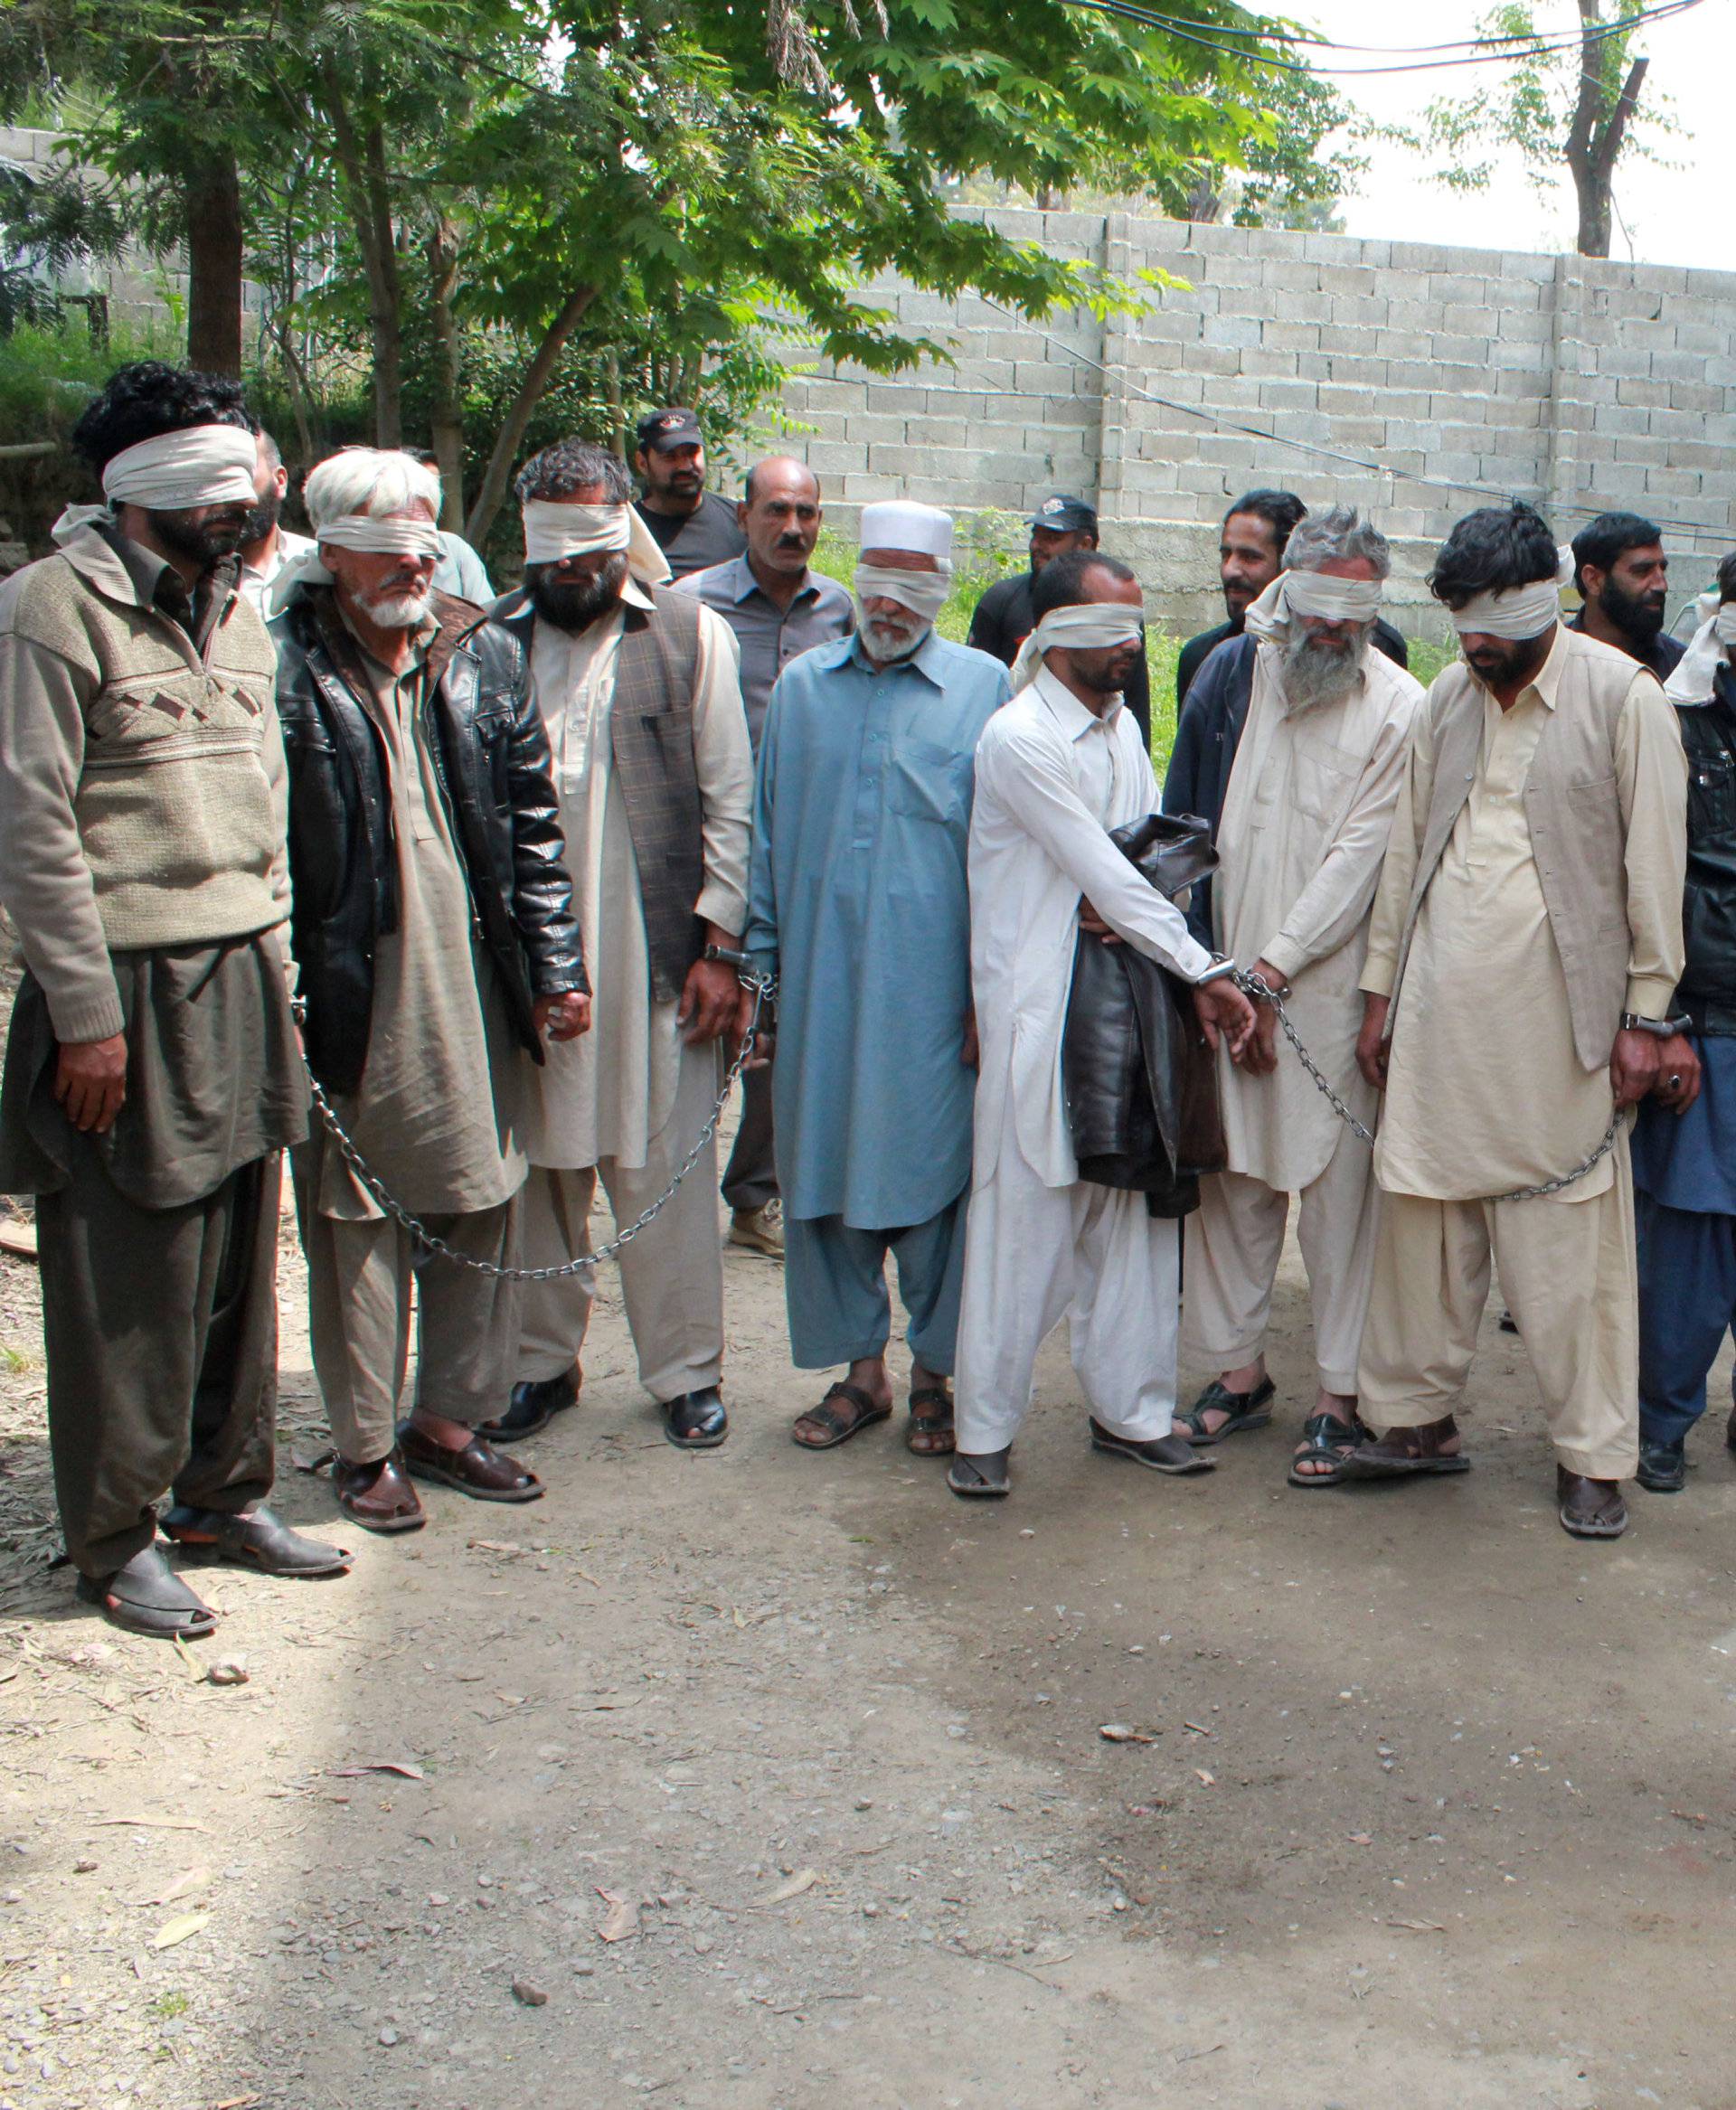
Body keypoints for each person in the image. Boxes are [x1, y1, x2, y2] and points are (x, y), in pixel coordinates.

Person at [0, 361, 346, 1638]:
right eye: (222, 477)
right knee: (128, 1273)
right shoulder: (53, 608)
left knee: (241, 1265)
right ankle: (114, 1531)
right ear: (142, 486)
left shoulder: (238, 611)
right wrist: (83, 1013)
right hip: (126, 985)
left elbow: (263, 813)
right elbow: (32, 829)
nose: (248, 498)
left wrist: (284, 974)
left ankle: (222, 1494)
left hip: (244, 972)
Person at [1344, 503, 1686, 1540]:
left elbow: (1653, 872)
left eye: (1491, 623)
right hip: (1440, 1020)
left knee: (1567, 1254)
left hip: (1561, 1033)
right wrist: (1378, 991)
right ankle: (1411, 1422)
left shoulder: (1624, 698)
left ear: (1547, 598)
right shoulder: (1448, 697)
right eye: (1462, 626)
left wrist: (1645, 1016)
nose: (1475, 645)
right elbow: (1407, 851)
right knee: (1422, 1224)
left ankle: (1592, 1456)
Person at [274, 447, 590, 1535]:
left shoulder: (478, 650)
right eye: (386, 538)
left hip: (476, 979)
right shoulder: (284, 664)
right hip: (357, 986)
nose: (413, 555)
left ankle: (450, 1424)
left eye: (423, 531)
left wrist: (556, 969)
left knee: (483, 1194)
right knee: (355, 1214)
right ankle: (364, 1450)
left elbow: (532, 825)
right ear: (332, 551)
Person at [948, 551, 1257, 1498]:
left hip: (1128, 1007)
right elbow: (1105, 868)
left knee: (1132, 1219)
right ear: (1048, 637)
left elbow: (1144, 857)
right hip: (1043, 1015)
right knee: (1024, 1222)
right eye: (1106, 630)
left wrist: (1133, 908)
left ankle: (1130, 1411)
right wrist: (1201, 962)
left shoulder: (1121, 727)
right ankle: (983, 1432)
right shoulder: (1018, 737)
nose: (1128, 646)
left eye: (1135, 627)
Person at [488, 439, 753, 1453]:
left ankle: (685, 1372)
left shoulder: (688, 633)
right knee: (539, 1173)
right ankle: (538, 1367)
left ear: (618, 537)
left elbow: (732, 801)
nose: (566, 576)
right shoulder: (494, 644)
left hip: (659, 959)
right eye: (548, 557)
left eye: (584, 556)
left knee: (667, 1172)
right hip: (533, 970)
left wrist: (720, 947)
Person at [745, 502, 1009, 1458]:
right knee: (818, 1177)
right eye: (877, 575)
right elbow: (766, 843)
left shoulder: (987, 689)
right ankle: (861, 1374)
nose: (892, 599)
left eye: (915, 579)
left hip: (937, 998)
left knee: (939, 1181)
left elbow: (1007, 855)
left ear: (944, 588)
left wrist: (992, 997)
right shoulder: (804, 689)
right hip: (818, 989)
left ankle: (938, 1370)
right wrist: (761, 982)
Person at [1165, 507, 1423, 1486]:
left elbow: (1361, 860)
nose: (1330, 631)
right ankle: (1239, 1373)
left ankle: (1338, 1397)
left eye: (1353, 611)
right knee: (1228, 1186)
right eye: (1318, 606)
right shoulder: (1234, 672)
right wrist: (1205, 971)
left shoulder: (1400, 705)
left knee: (1340, 1201)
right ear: (1290, 589)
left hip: (1321, 990)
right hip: (1223, 981)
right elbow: (1187, 820)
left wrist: (1271, 972)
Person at [677, 457, 854, 1261]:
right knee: (697, 1025)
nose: (793, 528)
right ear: (742, 514)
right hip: (708, 853)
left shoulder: (841, 610)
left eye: (807, 513)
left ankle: (759, 1194)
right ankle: (665, 1197)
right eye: (777, 510)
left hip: (801, 855)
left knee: (786, 1030)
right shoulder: (690, 607)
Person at [1628, 556, 1736, 1491]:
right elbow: (1651, 876)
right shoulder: (1674, 717)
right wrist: (1667, 1020)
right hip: (1708, 1023)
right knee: (1690, 1240)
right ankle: (1661, 1421)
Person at [1175, 490, 1409, 711]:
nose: (1230, 570)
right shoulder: (1205, 656)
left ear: (1291, 564)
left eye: (1250, 557)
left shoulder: (1378, 648)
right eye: (1226, 555)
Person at [967, 495, 1152, 749]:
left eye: (1051, 538)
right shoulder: (1000, 601)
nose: (1037, 546)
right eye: (1036, 535)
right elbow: (977, 689)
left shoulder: (1115, 615)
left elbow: (1135, 699)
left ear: (1085, 545)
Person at [632, 408, 748, 581]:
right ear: (642, 463)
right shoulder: (629, 530)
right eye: (670, 457)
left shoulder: (739, 522)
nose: (685, 466)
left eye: (692, 453)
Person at [1569, 511, 1685, 681]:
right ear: (1593, 580)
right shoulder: (1549, 659)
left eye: (1662, 569)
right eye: (1642, 571)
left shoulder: (1683, 671)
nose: (1662, 586)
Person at [236, 423, 314, 616]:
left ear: (280, 480)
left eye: (244, 470)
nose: (233, 490)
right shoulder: (193, 583)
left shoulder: (318, 562)